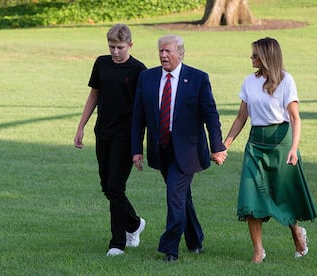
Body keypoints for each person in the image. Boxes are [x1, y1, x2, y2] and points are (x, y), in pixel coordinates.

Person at [131, 34, 227, 262]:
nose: (163, 55)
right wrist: (136, 149)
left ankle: (170, 248)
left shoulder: (198, 78)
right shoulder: (147, 78)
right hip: (161, 149)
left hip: (188, 151)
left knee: (174, 194)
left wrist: (217, 147)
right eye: (161, 51)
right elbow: (138, 117)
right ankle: (195, 241)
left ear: (181, 53)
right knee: (182, 197)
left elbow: (210, 116)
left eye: (168, 51)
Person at [224, 37, 317, 263]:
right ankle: (258, 250)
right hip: (255, 144)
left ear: (267, 57)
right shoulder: (248, 82)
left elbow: (295, 118)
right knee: (250, 196)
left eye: (255, 55)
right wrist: (224, 145)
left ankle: (296, 231)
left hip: (281, 143)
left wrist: (294, 149)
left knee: (283, 195)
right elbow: (241, 117)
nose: (251, 58)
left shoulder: (286, 81)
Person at [74, 24, 146, 257]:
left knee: (115, 187)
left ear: (130, 45)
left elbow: (143, 109)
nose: (115, 51)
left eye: (120, 47)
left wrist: (139, 144)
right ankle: (134, 223)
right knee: (107, 187)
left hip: (125, 135)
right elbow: (94, 95)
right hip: (102, 132)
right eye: (111, 46)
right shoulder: (101, 63)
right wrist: (81, 127)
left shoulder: (138, 70)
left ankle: (117, 243)